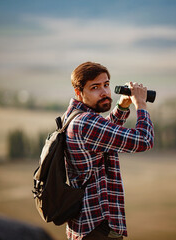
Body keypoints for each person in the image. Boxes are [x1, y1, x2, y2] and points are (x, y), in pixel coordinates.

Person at [63, 61, 154, 240]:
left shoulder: (74, 117)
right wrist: (141, 105)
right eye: (95, 87)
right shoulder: (87, 123)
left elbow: (104, 136)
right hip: (98, 228)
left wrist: (122, 106)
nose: (104, 92)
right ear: (78, 92)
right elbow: (144, 140)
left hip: (85, 226)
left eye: (106, 84)